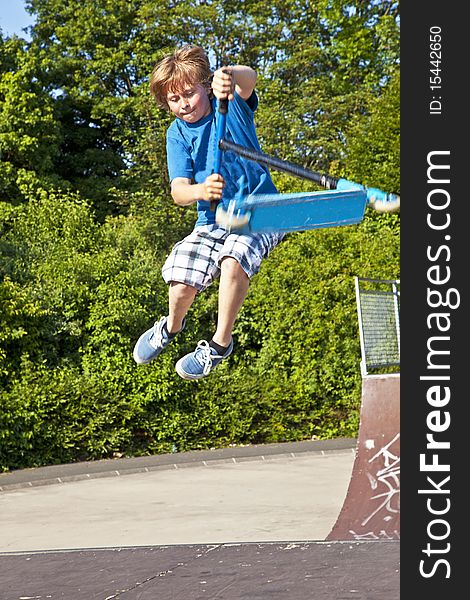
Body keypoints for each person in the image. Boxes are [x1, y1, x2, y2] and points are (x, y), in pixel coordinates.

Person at [133, 45, 284, 379]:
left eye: (190, 93)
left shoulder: (229, 106)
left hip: (260, 211)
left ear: (205, 85)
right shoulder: (176, 134)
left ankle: (218, 345)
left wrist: (228, 75)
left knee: (234, 259)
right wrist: (200, 191)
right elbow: (178, 191)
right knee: (182, 279)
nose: (184, 104)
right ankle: (170, 328)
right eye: (174, 99)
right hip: (212, 219)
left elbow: (250, 79)